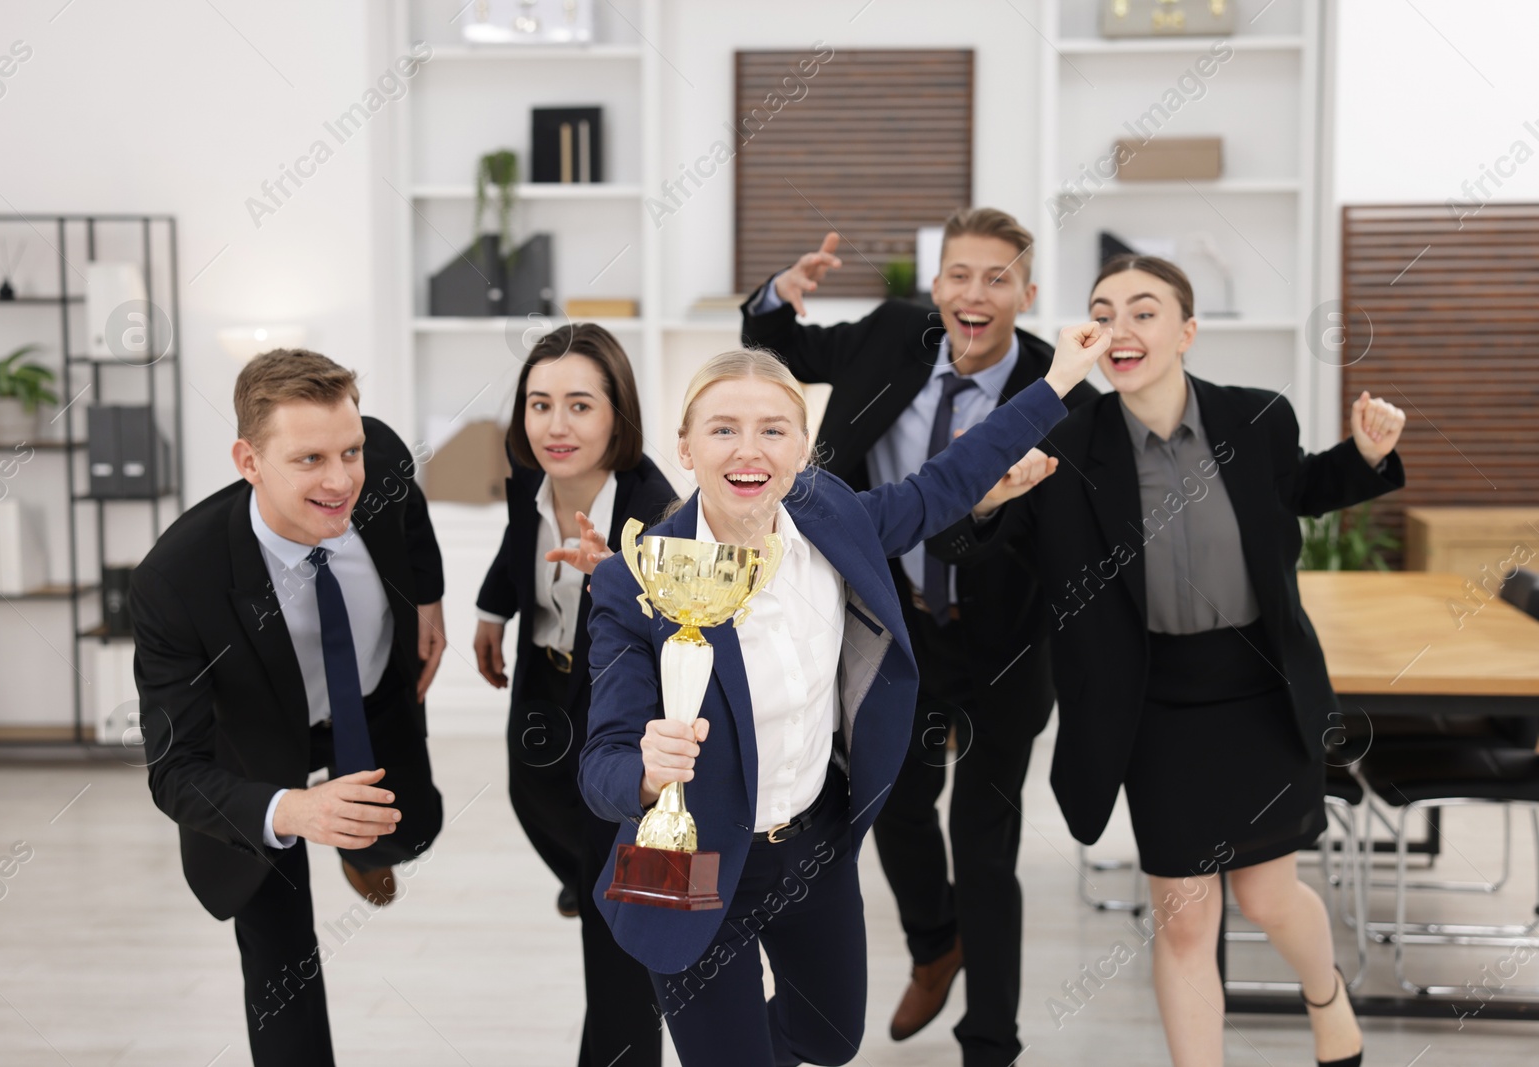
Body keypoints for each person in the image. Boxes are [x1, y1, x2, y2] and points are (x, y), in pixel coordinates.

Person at [577, 330, 1102, 1067]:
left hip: (812, 844)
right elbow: (599, 766)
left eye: (772, 429)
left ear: (803, 447)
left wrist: (1059, 381)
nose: (747, 450)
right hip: (688, 858)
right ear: (688, 448)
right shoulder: (634, 582)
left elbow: (945, 482)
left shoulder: (832, 516)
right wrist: (644, 768)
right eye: (722, 429)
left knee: (830, 1037)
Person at [935, 254, 1404, 1067]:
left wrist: (1361, 456)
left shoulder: (1258, 418)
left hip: (1260, 691)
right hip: (1150, 706)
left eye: (1144, 311)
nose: (1121, 327)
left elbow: (1295, 489)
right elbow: (974, 546)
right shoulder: (1063, 446)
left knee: (1266, 895)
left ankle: (1326, 997)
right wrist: (986, 499)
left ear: (1186, 331)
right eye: (1103, 311)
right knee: (1185, 919)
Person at [741, 207, 1100, 1062]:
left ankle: (991, 1040)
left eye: (997, 278)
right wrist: (776, 297)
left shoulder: (1058, 388)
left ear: (1027, 292)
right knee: (889, 807)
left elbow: (1050, 538)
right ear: (937, 285)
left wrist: (982, 510)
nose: (974, 294)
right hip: (894, 631)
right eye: (959, 276)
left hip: (1004, 645)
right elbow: (784, 348)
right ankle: (936, 944)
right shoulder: (893, 334)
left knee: (985, 846)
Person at [131, 348, 448, 1067]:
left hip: (365, 701)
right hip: (254, 747)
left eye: (349, 451)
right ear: (249, 460)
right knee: (279, 953)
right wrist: (292, 811)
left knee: (404, 831)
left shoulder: (382, 457)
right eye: (309, 460)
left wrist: (428, 600)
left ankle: (364, 853)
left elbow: (412, 520)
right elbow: (175, 770)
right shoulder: (177, 580)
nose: (341, 480)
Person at [474, 323, 677, 1067]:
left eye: (580, 405)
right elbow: (512, 542)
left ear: (617, 416)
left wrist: (616, 577)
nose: (555, 426)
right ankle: (586, 880)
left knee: (615, 927)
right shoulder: (529, 475)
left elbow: (680, 639)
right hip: (541, 672)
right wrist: (492, 611)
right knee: (530, 794)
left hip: (620, 700)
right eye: (539, 403)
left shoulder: (656, 509)